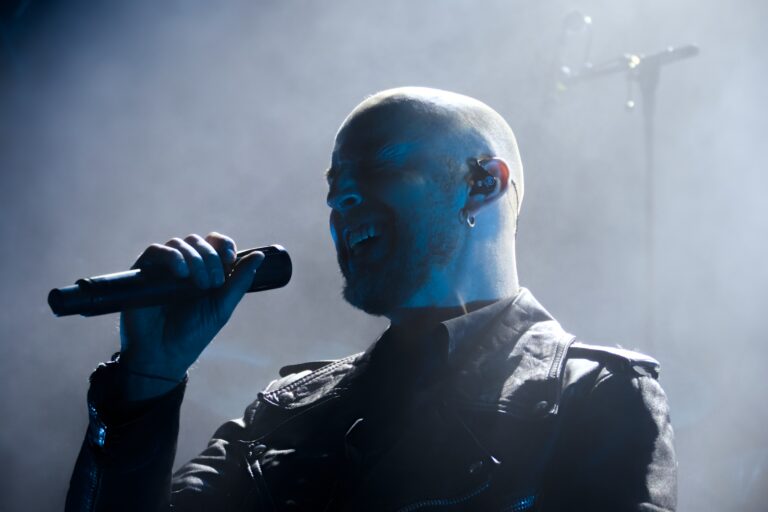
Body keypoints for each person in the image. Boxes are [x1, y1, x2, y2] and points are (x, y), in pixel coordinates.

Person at [65, 87, 677, 511]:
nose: (341, 202)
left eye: (380, 168)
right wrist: (148, 380)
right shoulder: (285, 408)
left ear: (483, 182)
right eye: (335, 187)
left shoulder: (590, 397)